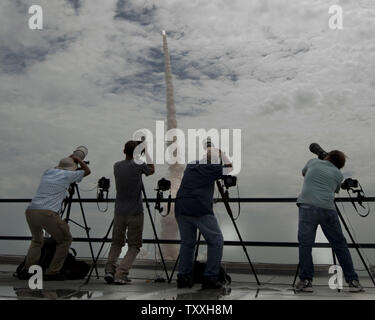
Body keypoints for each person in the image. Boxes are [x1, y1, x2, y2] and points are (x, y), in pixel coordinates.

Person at [295, 150, 363, 292]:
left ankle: (306, 281)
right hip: (328, 210)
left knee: (305, 245)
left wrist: (320, 159)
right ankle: (353, 281)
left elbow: (304, 173)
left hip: (308, 207)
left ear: (328, 156)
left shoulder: (313, 162)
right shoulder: (339, 174)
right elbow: (336, 189)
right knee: (340, 245)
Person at [21, 155, 90, 281]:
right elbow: (87, 171)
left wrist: (69, 159)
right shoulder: (69, 175)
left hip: (31, 211)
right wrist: (79, 161)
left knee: (37, 241)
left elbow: (59, 169)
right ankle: (53, 272)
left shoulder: (48, 172)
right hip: (47, 213)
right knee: (65, 240)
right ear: (72, 168)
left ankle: (28, 270)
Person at [175, 146, 232, 289]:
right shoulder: (212, 168)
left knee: (187, 244)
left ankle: (183, 277)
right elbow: (229, 168)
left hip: (181, 206)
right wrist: (222, 153)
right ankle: (210, 278)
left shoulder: (192, 165)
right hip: (199, 207)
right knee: (216, 241)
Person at [104, 140, 154, 285]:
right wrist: (146, 153)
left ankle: (109, 270)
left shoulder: (117, 166)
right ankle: (121, 273)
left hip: (119, 211)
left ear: (123, 151)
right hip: (135, 212)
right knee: (134, 245)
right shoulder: (139, 164)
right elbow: (151, 170)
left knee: (116, 243)